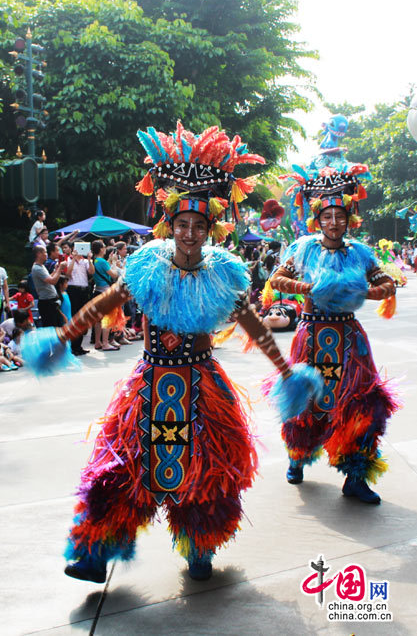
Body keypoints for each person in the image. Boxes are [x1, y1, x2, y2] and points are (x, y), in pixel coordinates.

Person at [21, 122, 321, 584]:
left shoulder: (224, 274)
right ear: (170, 224)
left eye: (198, 225)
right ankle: (95, 552)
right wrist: (63, 337)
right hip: (149, 384)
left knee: (209, 474)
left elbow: (252, 324)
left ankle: (199, 549)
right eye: (182, 224)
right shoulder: (146, 267)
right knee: (118, 469)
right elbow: (107, 303)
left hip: (202, 387)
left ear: (209, 228)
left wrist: (285, 371)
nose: (189, 233)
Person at [270, 161, 398, 505]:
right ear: (317, 218)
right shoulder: (303, 247)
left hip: (349, 340)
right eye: (327, 216)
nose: (334, 222)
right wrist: (308, 287)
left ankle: (356, 477)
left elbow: (386, 282)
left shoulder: (360, 252)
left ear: (349, 216)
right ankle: (297, 457)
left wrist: (373, 292)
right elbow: (275, 280)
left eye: (340, 215)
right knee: (304, 401)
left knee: (360, 406)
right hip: (311, 336)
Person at [91, 240, 119, 351]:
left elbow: (102, 270)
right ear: (101, 249)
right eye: (104, 247)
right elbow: (114, 275)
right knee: (107, 318)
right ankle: (106, 343)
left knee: (98, 319)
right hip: (106, 292)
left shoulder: (95, 260)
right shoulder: (102, 262)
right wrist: (114, 263)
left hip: (97, 290)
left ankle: (98, 342)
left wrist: (109, 261)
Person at [66, 248, 94, 355]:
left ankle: (78, 346)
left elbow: (92, 272)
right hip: (73, 290)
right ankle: (73, 346)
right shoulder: (68, 260)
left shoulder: (85, 261)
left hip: (84, 290)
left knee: (83, 318)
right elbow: (68, 273)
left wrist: (90, 259)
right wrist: (73, 258)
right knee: (74, 317)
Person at [31, 246, 65, 327]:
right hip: (47, 303)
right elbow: (52, 281)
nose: (47, 254)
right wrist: (60, 268)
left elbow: (48, 278)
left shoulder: (41, 266)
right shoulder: (37, 268)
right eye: (45, 252)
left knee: (57, 326)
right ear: (39, 254)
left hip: (50, 301)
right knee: (52, 327)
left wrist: (56, 270)